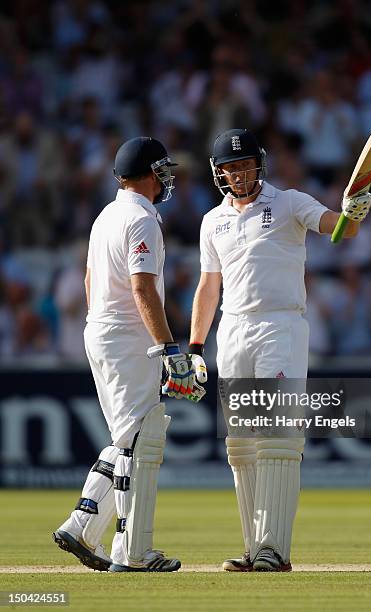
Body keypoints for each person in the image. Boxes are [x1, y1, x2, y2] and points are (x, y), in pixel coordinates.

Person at [189, 128, 371, 572]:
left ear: (259, 164)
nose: (239, 174)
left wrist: (353, 214)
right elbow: (208, 286)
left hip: (281, 326)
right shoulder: (212, 221)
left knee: (277, 439)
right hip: (232, 331)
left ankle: (276, 549)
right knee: (240, 446)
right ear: (219, 174)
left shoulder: (289, 201)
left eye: (246, 164)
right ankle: (254, 549)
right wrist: (195, 345)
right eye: (231, 168)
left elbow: (337, 229)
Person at [53, 136, 200, 573]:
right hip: (127, 338)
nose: (168, 178)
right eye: (164, 171)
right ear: (151, 173)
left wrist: (105, 322)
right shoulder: (141, 219)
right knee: (141, 439)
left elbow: (88, 278)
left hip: (100, 331)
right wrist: (168, 347)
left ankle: (81, 525)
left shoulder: (107, 214)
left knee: (127, 436)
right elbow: (142, 288)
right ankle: (133, 553)